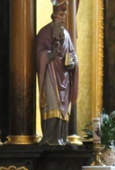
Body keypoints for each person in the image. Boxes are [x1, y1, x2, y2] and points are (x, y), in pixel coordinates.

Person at [36, 0, 78, 146]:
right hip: (50, 73)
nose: (63, 17)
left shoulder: (66, 34)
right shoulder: (44, 32)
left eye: (64, 14)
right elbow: (39, 53)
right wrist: (49, 54)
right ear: (54, 15)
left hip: (64, 76)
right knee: (52, 104)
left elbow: (72, 53)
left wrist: (72, 63)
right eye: (60, 14)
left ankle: (61, 137)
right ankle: (49, 137)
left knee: (63, 108)